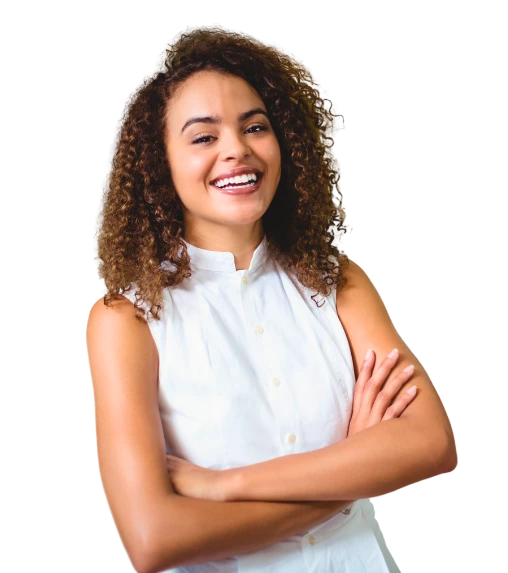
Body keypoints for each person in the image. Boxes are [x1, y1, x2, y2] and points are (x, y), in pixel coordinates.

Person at [86, 23, 457, 573]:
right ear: (159, 165)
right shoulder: (127, 318)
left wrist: (223, 486)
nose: (237, 150)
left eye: (255, 127)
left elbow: (431, 445)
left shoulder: (340, 281)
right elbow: (153, 539)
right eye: (203, 136)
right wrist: (353, 474)